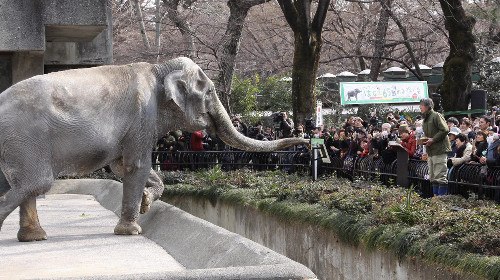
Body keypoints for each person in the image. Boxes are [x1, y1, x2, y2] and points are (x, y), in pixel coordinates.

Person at [420, 98, 451, 196]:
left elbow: (445, 129)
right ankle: (435, 200)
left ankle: (441, 201)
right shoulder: (425, 119)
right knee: (433, 177)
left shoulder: (436, 115)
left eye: (422, 105)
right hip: (431, 151)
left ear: (428, 106)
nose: (420, 107)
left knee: (440, 176)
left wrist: (433, 139)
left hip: (439, 149)